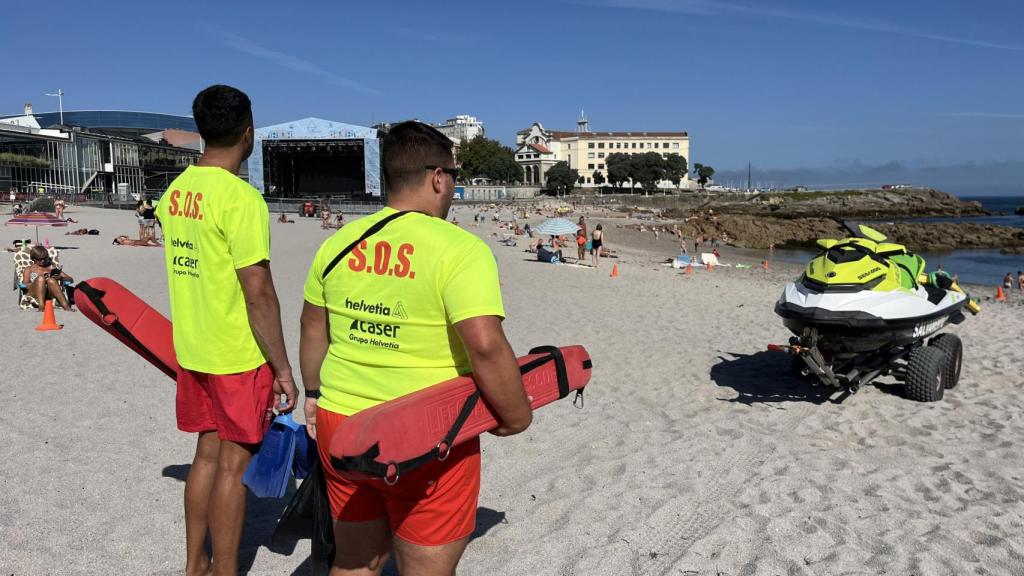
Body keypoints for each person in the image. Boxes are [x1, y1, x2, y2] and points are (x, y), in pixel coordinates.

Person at [299, 121, 531, 576]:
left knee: (354, 562)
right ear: (438, 178)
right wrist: (516, 414)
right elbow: (485, 346)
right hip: (428, 426)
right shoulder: (460, 249)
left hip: (341, 420)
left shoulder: (338, 242)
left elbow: (312, 326)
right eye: (455, 177)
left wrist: (312, 394)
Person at [156, 84, 297, 576]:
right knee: (234, 466)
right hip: (237, 351)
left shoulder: (176, 192)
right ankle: (226, 571)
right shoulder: (241, 198)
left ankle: (195, 564)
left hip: (193, 346)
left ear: (201, 129)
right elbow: (258, 293)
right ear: (248, 132)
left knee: (205, 457)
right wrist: (283, 369)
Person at [21, 245, 74, 311]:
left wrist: (60, 278)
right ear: (34, 259)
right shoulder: (29, 269)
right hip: (34, 293)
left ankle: (66, 306)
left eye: (45, 258)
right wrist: (39, 283)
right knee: (41, 279)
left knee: (51, 280)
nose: (43, 261)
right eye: (40, 259)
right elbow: (25, 285)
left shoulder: (51, 268)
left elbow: (70, 279)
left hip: (48, 294)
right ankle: (41, 306)